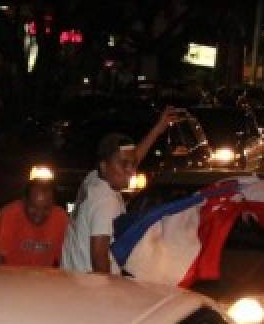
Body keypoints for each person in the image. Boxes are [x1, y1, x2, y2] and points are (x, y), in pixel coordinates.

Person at [61, 108, 181, 274]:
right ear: (105, 165)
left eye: (132, 164)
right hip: (91, 289)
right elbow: (99, 257)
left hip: (74, 280)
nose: (131, 171)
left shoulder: (94, 178)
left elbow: (133, 156)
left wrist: (157, 129)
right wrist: (111, 293)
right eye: (124, 164)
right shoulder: (105, 202)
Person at [0, 167, 68, 267]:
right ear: (24, 201)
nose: (39, 214)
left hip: (45, 279)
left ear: (53, 204)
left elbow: (65, 260)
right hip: (11, 277)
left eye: (46, 209)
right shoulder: (9, 214)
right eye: (33, 207)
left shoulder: (61, 219)